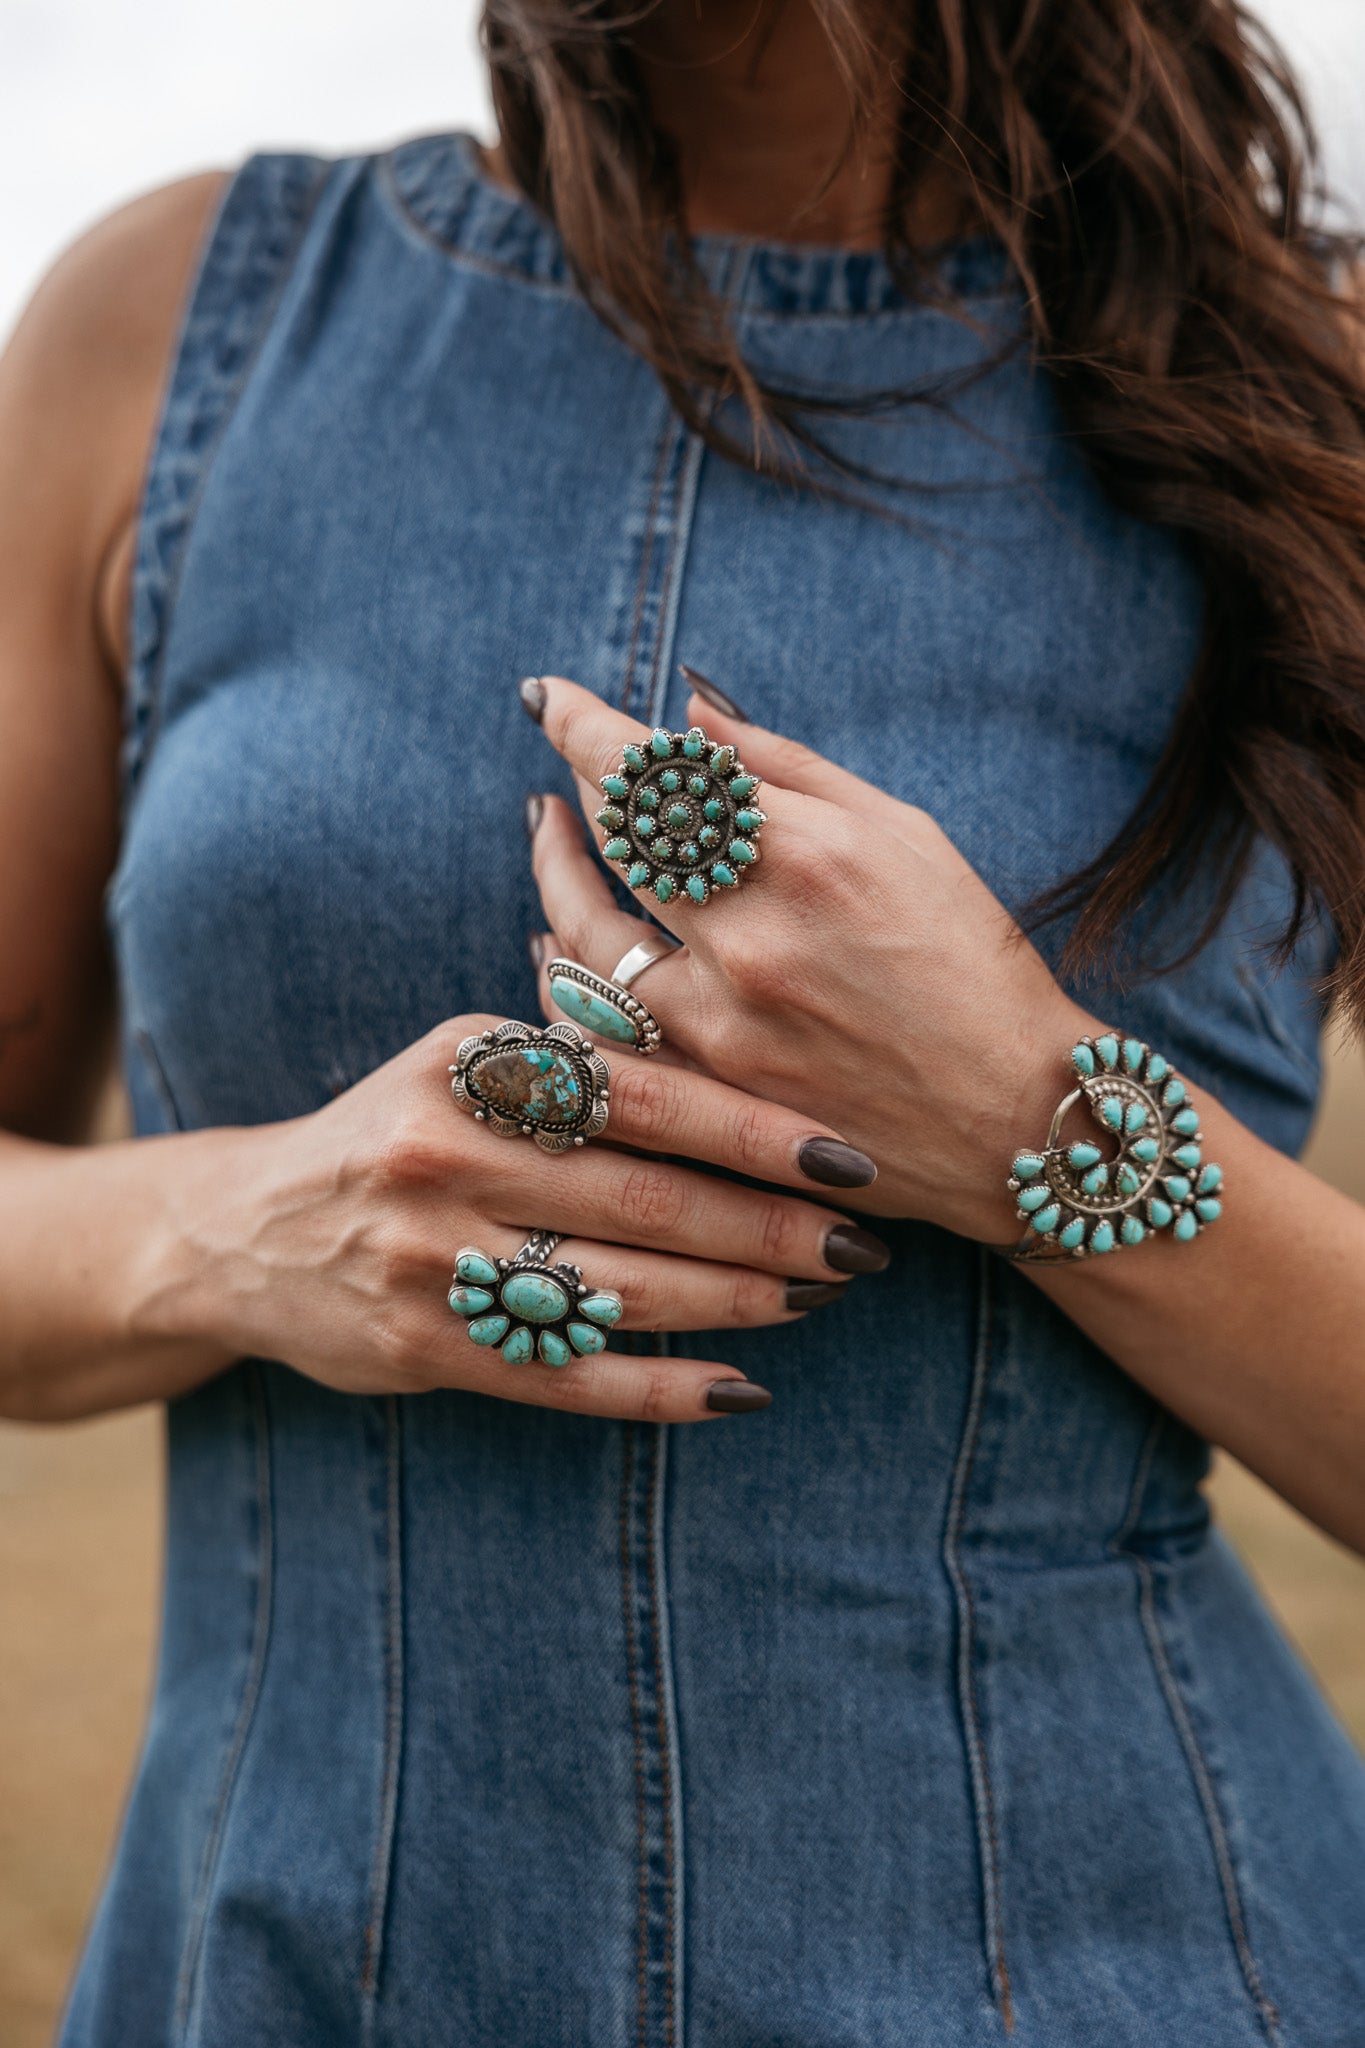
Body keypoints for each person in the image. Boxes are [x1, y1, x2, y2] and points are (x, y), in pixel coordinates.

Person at [3, 0, 1364, 2038]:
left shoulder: (1312, 391)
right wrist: (240, 1224)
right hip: (291, 1971)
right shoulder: (166, 326)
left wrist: (1031, 1124)